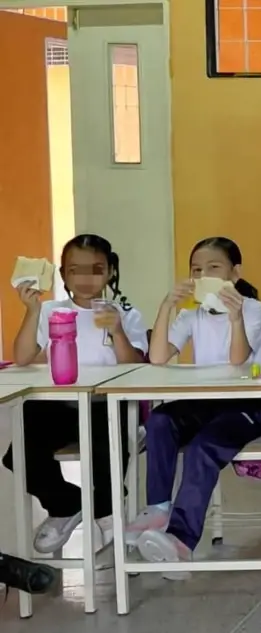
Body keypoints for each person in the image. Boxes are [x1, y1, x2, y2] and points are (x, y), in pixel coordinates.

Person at [124, 237, 261, 578]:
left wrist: (235, 318)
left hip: (249, 402)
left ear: (234, 274)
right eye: (196, 270)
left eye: (213, 268)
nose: (203, 275)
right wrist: (166, 306)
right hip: (206, 399)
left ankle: (181, 540)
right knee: (159, 421)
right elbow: (158, 357)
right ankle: (158, 509)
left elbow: (238, 360)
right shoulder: (192, 314)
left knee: (203, 447)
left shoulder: (253, 310)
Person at [2, 234, 147, 555]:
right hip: (59, 407)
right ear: (63, 274)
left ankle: (108, 512)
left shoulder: (125, 313)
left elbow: (135, 366)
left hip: (105, 405)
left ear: (110, 271)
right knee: (19, 453)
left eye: (96, 269)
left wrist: (117, 330)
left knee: (106, 446)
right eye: (75, 270)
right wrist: (31, 310)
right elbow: (23, 358)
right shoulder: (51, 310)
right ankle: (66, 504)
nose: (85, 278)